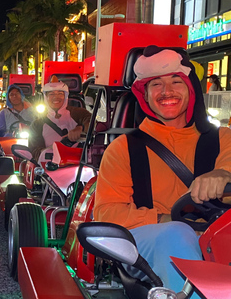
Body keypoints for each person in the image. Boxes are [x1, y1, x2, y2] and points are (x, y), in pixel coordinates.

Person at [94, 46, 231, 294]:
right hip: (151, 244)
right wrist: (164, 219)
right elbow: (106, 212)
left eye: (176, 81)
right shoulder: (122, 149)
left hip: (218, 241)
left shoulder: (224, 138)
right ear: (144, 95)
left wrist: (224, 174)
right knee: (177, 234)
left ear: (191, 89)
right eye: (156, 84)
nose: (167, 91)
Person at [28, 78, 91, 160]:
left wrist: (81, 128)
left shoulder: (79, 113)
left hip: (79, 165)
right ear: (46, 97)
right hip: (50, 166)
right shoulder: (37, 124)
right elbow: (34, 151)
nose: (56, 97)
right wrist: (50, 151)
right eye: (51, 94)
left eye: (60, 94)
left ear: (65, 96)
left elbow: (93, 124)